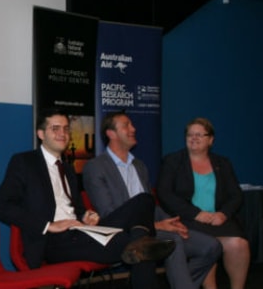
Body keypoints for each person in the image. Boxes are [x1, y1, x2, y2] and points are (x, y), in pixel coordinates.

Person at [0, 108, 176, 289]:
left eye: (66, 129)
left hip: (82, 232)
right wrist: (49, 225)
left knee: (144, 200)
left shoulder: (68, 168)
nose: (62, 134)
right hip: (54, 241)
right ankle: (141, 240)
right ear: (41, 134)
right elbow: (4, 207)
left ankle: (140, 239)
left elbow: (77, 208)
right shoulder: (24, 162)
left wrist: (85, 215)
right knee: (135, 244)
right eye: (55, 128)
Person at [84, 111, 222, 289]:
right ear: (111, 134)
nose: (133, 129)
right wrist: (157, 226)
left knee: (212, 246)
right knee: (172, 240)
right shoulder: (96, 167)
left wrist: (171, 222)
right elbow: (109, 216)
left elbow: (150, 206)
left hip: (154, 228)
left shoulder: (139, 166)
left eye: (132, 125)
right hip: (124, 235)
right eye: (126, 125)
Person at [156, 117, 250, 289]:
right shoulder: (172, 161)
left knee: (239, 244)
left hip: (218, 220)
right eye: (190, 134)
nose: (194, 138)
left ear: (211, 140)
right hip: (188, 219)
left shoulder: (223, 163)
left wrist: (223, 214)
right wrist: (196, 214)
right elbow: (165, 194)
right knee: (209, 244)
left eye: (199, 135)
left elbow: (236, 195)